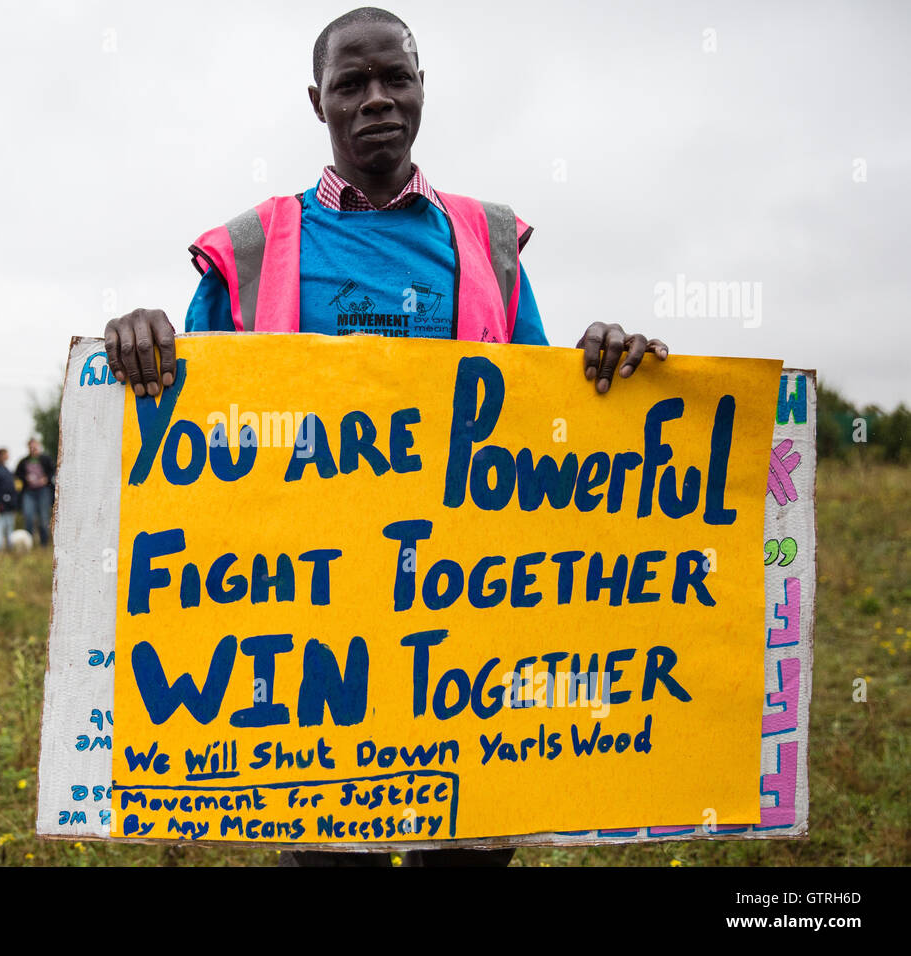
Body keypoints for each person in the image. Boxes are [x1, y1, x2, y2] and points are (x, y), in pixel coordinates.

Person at [102, 7, 670, 867]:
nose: (376, 100)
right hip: (302, 638)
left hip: (467, 634)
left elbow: (549, 429)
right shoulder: (251, 249)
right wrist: (139, 338)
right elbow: (188, 431)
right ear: (316, 101)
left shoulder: (486, 241)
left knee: (469, 856)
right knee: (325, 860)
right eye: (351, 84)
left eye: (394, 79)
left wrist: (610, 373)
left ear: (421, 89)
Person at [15, 437, 55, 547]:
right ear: (28, 448)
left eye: (35, 446)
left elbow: (53, 470)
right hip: (29, 492)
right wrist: (25, 478)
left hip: (43, 491)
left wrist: (46, 478)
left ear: (38, 446)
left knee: (43, 518)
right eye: (30, 447)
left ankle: (44, 544)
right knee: (28, 516)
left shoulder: (45, 459)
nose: (33, 449)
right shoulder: (23, 462)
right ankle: (28, 544)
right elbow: (17, 474)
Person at [0, 448, 19, 552]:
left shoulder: (6, 470)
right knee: (0, 526)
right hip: (2, 504)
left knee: (10, 525)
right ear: (1, 456)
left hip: (10, 504)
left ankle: (10, 547)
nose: (8, 456)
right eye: (6, 454)